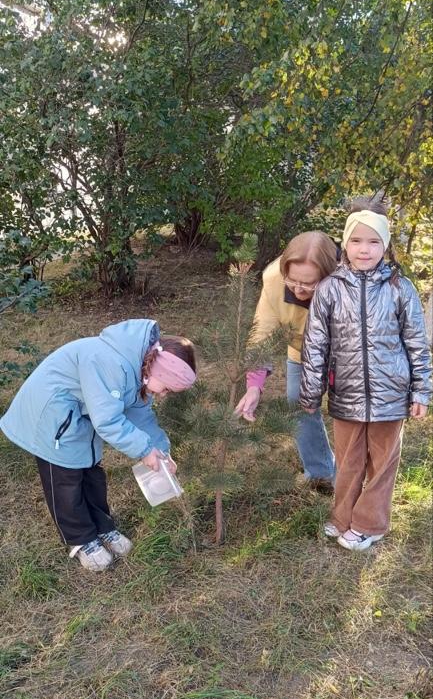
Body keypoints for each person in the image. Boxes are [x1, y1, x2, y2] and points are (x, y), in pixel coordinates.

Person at [0, 319, 196, 572]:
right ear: (157, 370)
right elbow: (108, 420)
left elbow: (141, 416)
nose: (164, 394)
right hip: (51, 418)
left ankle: (103, 527)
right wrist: (144, 450)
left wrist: (161, 451)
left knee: (92, 473)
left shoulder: (139, 369)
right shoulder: (109, 362)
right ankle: (80, 539)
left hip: (80, 415)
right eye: (167, 388)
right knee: (65, 481)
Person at [299, 204, 431, 550]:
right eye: (356, 240)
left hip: (392, 394)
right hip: (347, 393)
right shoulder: (329, 289)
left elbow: (418, 343)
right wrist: (311, 393)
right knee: (347, 462)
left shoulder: (401, 289)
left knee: (383, 463)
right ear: (345, 244)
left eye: (373, 242)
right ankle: (342, 517)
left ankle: (369, 523)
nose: (364, 249)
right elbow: (315, 344)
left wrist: (421, 391)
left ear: (385, 246)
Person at [234, 231, 338, 491]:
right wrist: (254, 385)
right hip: (300, 352)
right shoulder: (273, 278)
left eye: (309, 284)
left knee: (348, 413)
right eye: (293, 281)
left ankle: (354, 476)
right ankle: (321, 473)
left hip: (343, 354)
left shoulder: (346, 283)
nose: (300, 289)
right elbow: (262, 331)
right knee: (298, 404)